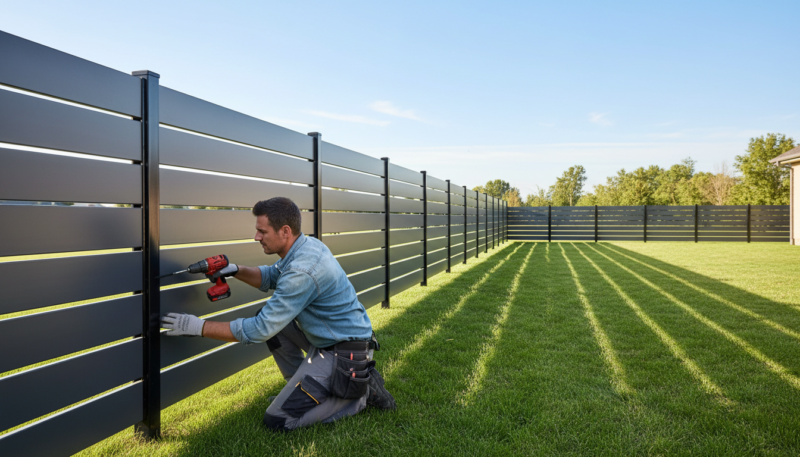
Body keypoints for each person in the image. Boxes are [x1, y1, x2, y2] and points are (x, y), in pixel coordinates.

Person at [160, 197, 395, 431]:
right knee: (274, 322)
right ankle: (299, 388)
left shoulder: (303, 270)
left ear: (285, 231)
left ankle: (357, 397)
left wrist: (197, 327)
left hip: (342, 351)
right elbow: (272, 276)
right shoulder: (304, 246)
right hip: (328, 336)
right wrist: (235, 270)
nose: (256, 237)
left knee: (278, 420)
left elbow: (259, 330)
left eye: (262, 231)